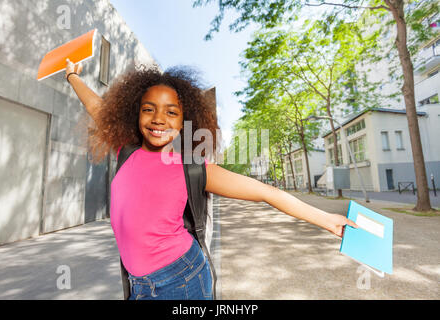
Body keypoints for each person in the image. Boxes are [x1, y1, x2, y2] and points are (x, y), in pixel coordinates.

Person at [65, 59, 359, 300]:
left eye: (171, 112)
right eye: (149, 109)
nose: (158, 119)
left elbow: (266, 192)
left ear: (184, 121)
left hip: (180, 282)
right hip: (137, 283)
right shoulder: (126, 151)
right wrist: (72, 76)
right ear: (135, 112)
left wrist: (326, 219)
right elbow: (96, 107)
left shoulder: (191, 166)